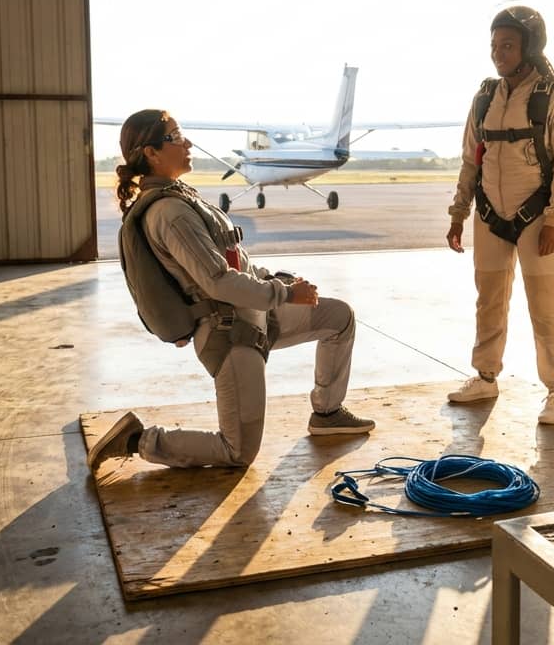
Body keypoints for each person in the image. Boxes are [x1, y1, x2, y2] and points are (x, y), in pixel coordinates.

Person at [89, 109, 374, 470]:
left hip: (257, 314)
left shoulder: (183, 198)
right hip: (230, 335)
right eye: (176, 137)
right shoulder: (170, 213)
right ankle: (136, 440)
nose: (188, 143)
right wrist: (285, 295)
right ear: (151, 153)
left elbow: (234, 263)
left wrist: (280, 281)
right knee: (238, 452)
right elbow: (218, 281)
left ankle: (328, 413)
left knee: (339, 318)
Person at [445, 5, 554, 425]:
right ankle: (485, 375)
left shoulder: (553, 94)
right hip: (489, 213)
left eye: (507, 45)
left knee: (545, 304)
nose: (498, 53)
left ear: (529, 46)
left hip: (537, 216)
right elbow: (471, 159)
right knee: (488, 299)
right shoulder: (485, 95)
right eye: (493, 45)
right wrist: (459, 212)